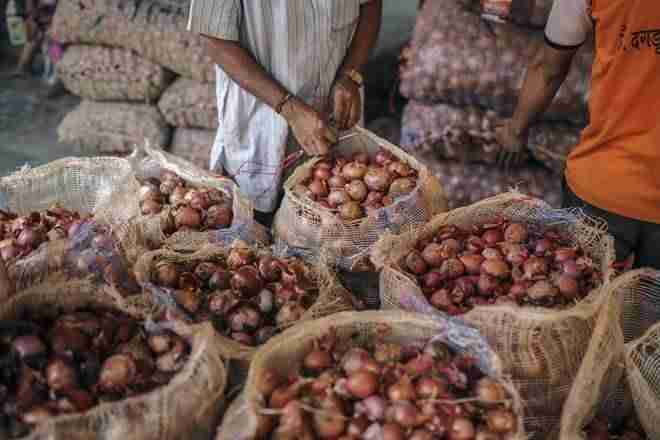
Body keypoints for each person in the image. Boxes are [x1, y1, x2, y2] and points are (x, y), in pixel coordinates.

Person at [495, 0, 660, 269]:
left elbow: (548, 68)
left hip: (605, 183)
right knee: (648, 308)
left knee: (583, 302)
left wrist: (515, 130)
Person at [188, 1, 383, 225]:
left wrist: (350, 74)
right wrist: (289, 108)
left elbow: (370, 5)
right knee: (256, 228)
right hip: (262, 122)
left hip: (337, 113)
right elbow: (213, 38)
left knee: (339, 226)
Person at [11, 0, 57, 78]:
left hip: (41, 15)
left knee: (38, 41)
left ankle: (23, 68)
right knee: (45, 41)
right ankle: (22, 68)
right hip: (40, 15)